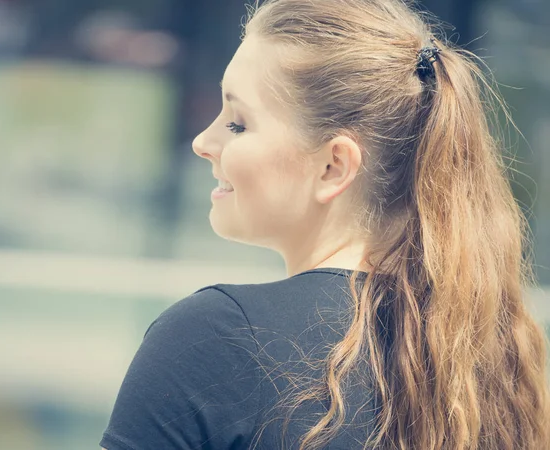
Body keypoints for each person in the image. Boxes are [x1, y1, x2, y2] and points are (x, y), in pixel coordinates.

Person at [99, 0, 550, 449]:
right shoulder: (490, 367)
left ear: (334, 166)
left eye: (237, 124)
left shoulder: (216, 340)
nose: (202, 142)